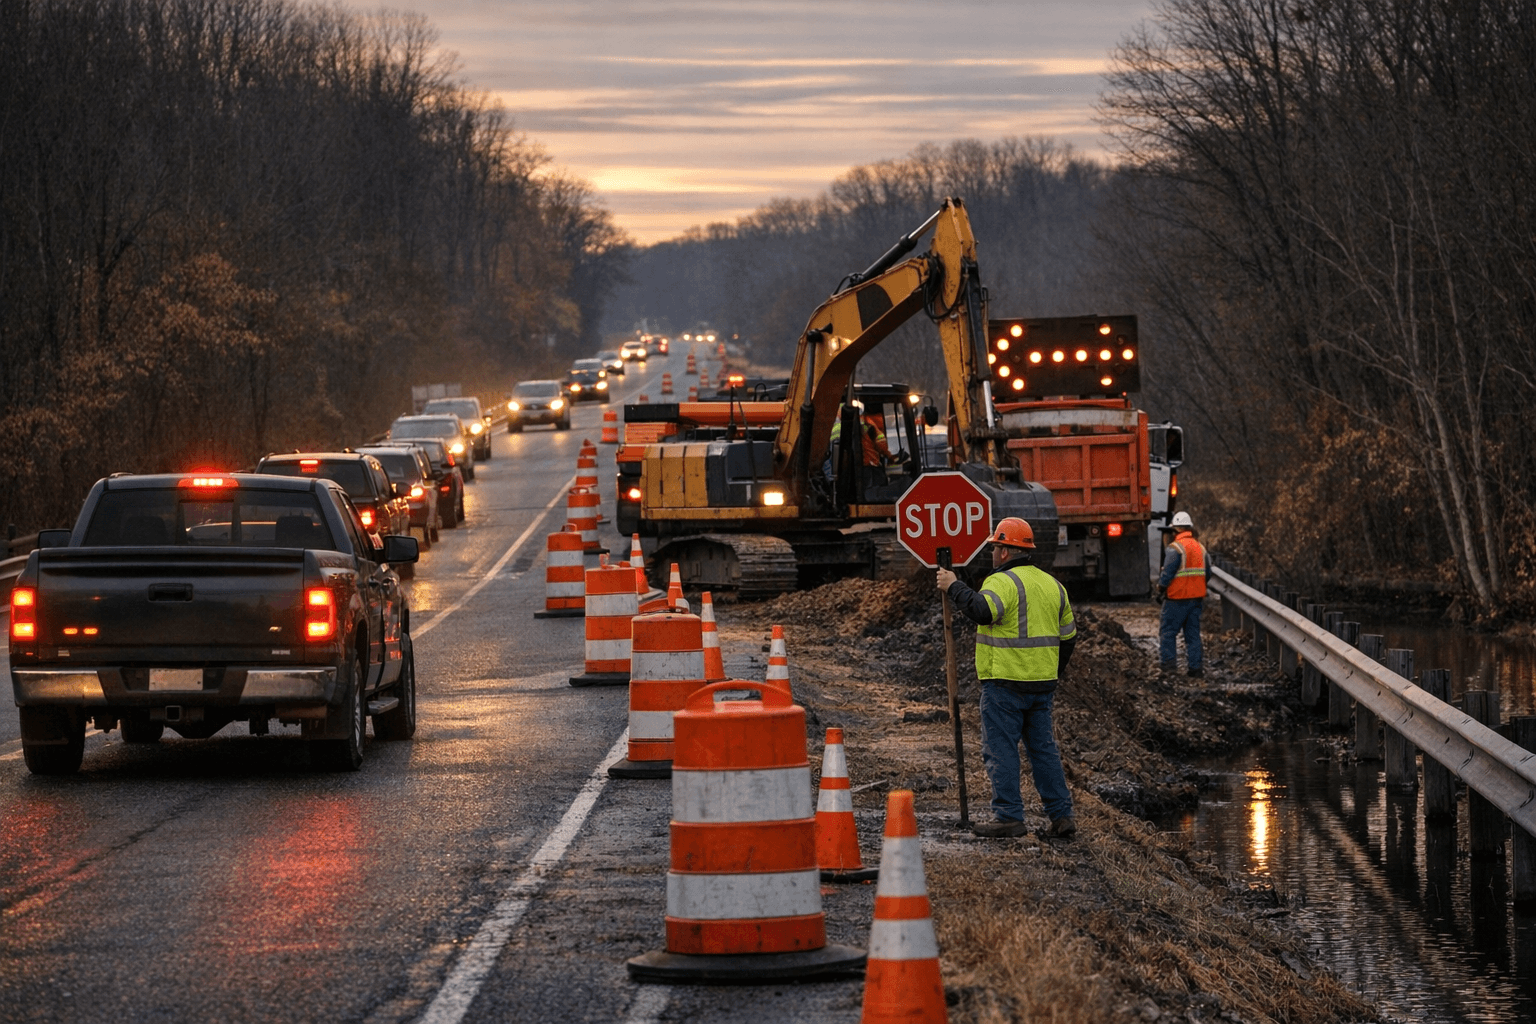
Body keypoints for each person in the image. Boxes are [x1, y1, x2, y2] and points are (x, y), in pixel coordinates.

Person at [936, 517, 1077, 839]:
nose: (993, 552)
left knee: (1001, 750)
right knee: (1043, 751)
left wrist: (953, 585)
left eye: (995, 546)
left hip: (1005, 685)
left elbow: (982, 611)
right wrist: (1052, 673)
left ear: (1003, 550)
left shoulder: (1001, 582)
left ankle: (1009, 817)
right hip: (1041, 686)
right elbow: (1068, 637)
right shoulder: (1053, 585)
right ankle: (1062, 815)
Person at [1157, 510, 1206, 677]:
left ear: (1176, 530)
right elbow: (1209, 572)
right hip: (1196, 599)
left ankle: (1169, 669)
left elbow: (1167, 574)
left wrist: (1160, 588)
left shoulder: (1175, 548)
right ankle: (1196, 670)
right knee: (1192, 635)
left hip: (1176, 599)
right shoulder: (1200, 548)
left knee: (1168, 633)